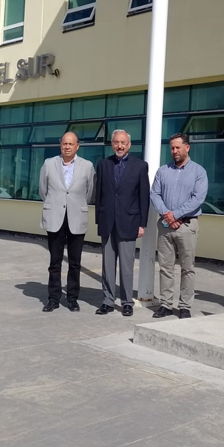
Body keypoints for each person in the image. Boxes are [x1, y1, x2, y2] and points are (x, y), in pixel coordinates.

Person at [149, 133, 208, 319]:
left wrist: (175, 214)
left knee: (187, 268)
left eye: (177, 147)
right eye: (172, 148)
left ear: (187, 148)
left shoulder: (199, 172)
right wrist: (168, 215)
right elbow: (155, 194)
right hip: (166, 226)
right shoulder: (163, 171)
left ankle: (184, 306)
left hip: (187, 226)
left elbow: (198, 198)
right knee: (165, 267)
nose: (174, 151)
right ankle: (166, 304)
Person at [94, 130, 150, 317]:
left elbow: (144, 197)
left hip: (129, 222)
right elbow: (99, 194)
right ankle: (107, 301)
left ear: (129, 145)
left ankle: (127, 302)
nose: (119, 146)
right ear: (112, 144)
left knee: (126, 267)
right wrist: (98, 219)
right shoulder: (103, 164)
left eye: (123, 143)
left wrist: (142, 224)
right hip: (107, 222)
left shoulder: (140, 166)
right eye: (116, 142)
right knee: (107, 266)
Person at [39, 132, 95, 312]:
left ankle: (72, 298)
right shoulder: (49, 164)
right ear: (60, 145)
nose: (67, 147)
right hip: (55, 217)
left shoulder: (87, 166)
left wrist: (75, 204)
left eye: (71, 144)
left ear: (77, 146)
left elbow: (90, 193)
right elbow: (43, 190)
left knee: (75, 262)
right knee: (55, 262)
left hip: (76, 217)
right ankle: (53, 298)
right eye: (65, 143)